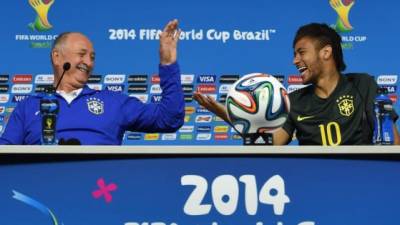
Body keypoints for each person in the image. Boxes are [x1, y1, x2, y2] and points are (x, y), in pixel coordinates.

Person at [194, 23, 400, 145]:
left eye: (301, 53)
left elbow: (393, 144)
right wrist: (234, 117)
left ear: (326, 52)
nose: (295, 61)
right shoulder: (294, 101)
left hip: (362, 180)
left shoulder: (363, 84)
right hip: (312, 185)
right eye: (294, 55)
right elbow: (273, 144)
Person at [0, 19, 184, 145]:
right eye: (81, 55)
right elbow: (5, 156)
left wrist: (168, 64)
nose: (88, 62)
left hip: (100, 193)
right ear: (57, 57)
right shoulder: (27, 107)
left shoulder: (113, 102)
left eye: (92, 57)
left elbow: (169, 118)